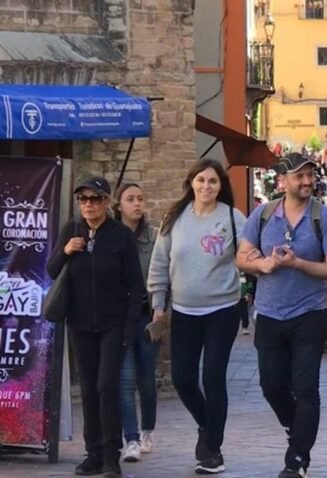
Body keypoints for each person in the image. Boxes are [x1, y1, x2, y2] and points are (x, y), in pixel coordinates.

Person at [236, 153, 327, 478]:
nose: (307, 181)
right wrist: (262, 264)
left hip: (309, 314)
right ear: (282, 181)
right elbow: (241, 257)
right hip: (269, 314)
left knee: (306, 387)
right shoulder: (263, 215)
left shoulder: (324, 218)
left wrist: (297, 263)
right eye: (300, 176)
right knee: (271, 385)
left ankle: (297, 460)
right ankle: (296, 429)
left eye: (310, 175)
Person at [148, 160, 246, 474]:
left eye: (213, 181)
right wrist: (158, 303)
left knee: (213, 378)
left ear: (221, 186)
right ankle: (207, 424)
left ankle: (212, 450)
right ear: (191, 182)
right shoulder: (174, 218)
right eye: (201, 180)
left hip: (223, 310)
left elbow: (250, 254)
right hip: (184, 312)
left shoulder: (233, 217)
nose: (206, 186)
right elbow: (159, 262)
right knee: (183, 378)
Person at [47, 177, 144, 477]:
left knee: (106, 387)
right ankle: (94, 453)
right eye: (83, 199)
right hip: (80, 323)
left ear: (107, 202)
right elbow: (51, 270)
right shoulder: (71, 230)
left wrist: (130, 326)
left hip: (113, 323)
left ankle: (111, 455)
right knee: (89, 389)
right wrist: (66, 250)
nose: (88, 204)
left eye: (95, 199)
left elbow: (135, 284)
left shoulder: (120, 235)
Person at [114, 183, 159, 463]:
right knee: (125, 378)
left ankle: (147, 430)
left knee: (146, 378)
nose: (137, 203)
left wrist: (161, 309)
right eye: (130, 199)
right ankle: (130, 439)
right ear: (118, 205)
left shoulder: (153, 237)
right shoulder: (110, 236)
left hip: (146, 315)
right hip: (119, 319)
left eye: (140, 198)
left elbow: (162, 274)